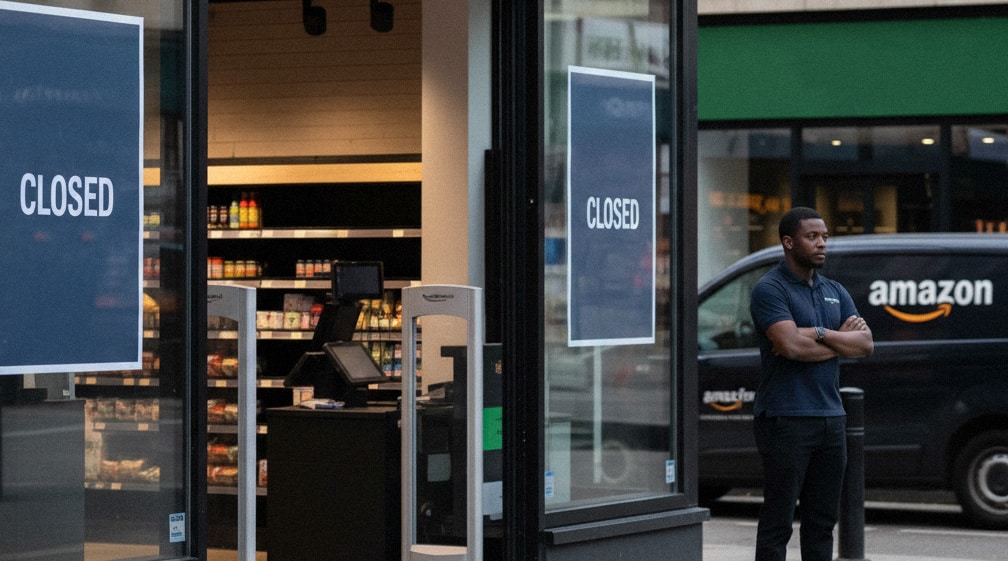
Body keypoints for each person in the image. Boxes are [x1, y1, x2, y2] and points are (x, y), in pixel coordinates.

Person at [749, 206, 874, 561]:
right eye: (812, 237)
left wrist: (817, 333)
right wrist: (838, 341)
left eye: (824, 237)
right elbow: (790, 346)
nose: (821, 244)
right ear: (788, 242)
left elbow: (865, 345)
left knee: (822, 523)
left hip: (831, 419)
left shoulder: (834, 290)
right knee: (778, 522)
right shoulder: (770, 289)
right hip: (785, 418)